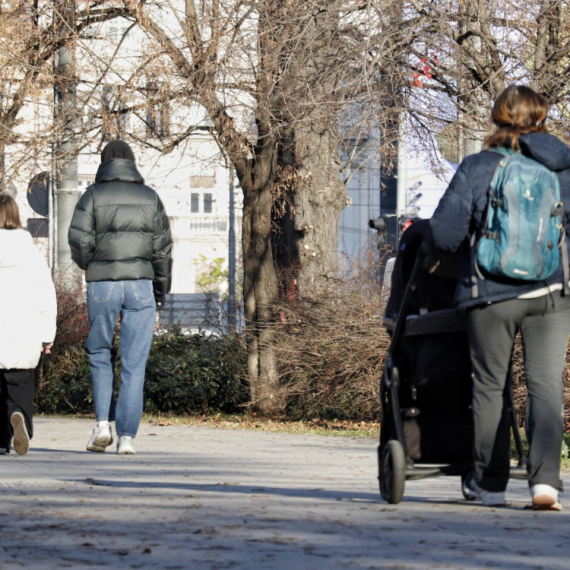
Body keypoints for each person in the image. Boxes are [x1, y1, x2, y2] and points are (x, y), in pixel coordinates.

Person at [430, 85, 570, 511]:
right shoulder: (563, 168)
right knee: (546, 386)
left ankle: (490, 485)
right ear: (541, 118)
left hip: (489, 292)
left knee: (491, 386)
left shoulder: (477, 166)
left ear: (497, 117)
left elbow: (444, 235)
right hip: (550, 292)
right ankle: (545, 482)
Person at [68, 140, 172, 455]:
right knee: (134, 362)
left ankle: (102, 425)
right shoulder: (150, 197)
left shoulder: (92, 195)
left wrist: (92, 264)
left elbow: (78, 238)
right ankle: (127, 438)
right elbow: (162, 249)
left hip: (103, 283)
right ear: (132, 162)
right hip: (141, 283)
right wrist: (160, 291)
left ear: (104, 163)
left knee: (99, 353)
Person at [0, 194, 57, 455]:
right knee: (20, 383)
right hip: (25, 331)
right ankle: (18, 417)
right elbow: (46, 294)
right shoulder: (31, 252)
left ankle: (2, 441)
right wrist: (48, 335)